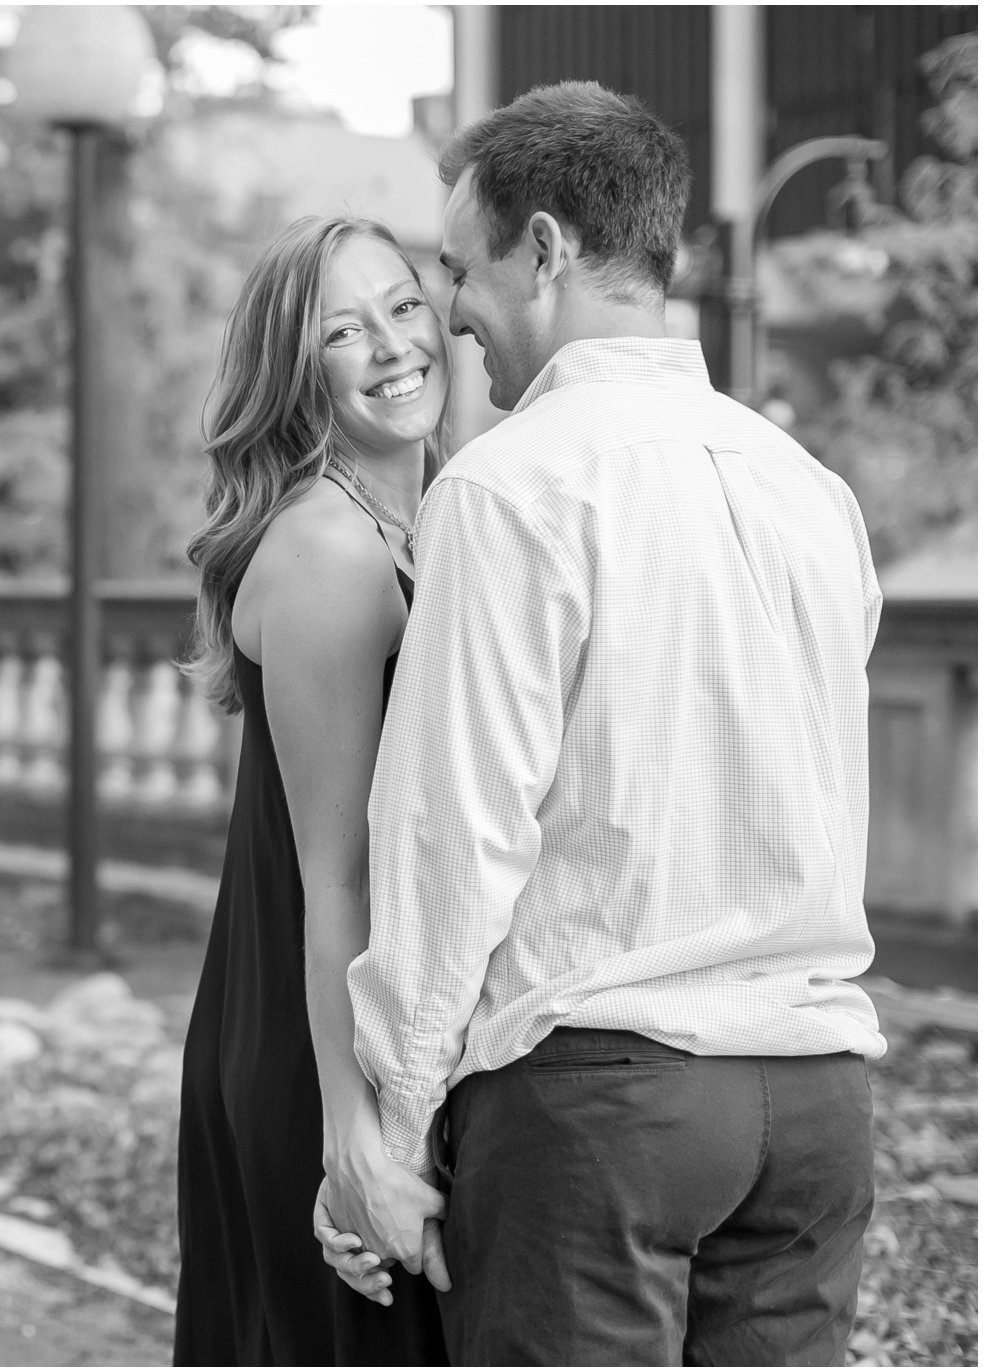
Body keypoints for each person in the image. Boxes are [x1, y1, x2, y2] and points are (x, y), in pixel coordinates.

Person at [346, 81, 887, 1365]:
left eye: (459, 269)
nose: (454, 312)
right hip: (814, 1103)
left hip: (600, 1105)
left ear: (542, 249)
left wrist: (397, 1119)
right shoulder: (809, 491)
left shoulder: (505, 488)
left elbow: (450, 833)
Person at [173, 213, 453, 1367]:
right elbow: (330, 874)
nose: (390, 346)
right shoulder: (330, 550)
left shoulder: (436, 513)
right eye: (344, 331)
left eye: (400, 305)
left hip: (382, 1029)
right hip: (319, 1045)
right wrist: (352, 1133)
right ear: (298, 372)